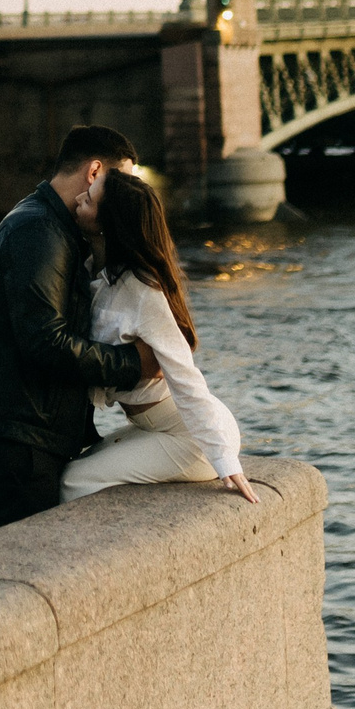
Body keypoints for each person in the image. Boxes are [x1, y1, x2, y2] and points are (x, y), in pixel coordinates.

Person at [0, 125, 160, 529]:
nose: (125, 196)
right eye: (124, 181)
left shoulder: (50, 226)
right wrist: (134, 364)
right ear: (95, 172)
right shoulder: (39, 231)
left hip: (21, 439)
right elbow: (45, 340)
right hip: (15, 445)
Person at [60, 168, 257, 505]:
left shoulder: (142, 289)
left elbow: (185, 375)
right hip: (154, 427)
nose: (79, 198)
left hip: (189, 437)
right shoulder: (98, 272)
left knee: (73, 481)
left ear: (109, 221)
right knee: (76, 464)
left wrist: (224, 461)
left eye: (90, 199)